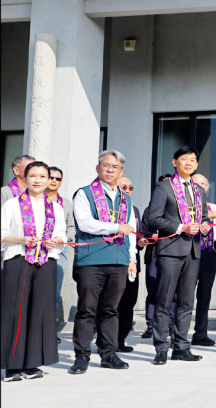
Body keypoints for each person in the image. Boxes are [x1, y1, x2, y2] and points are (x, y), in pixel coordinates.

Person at [69, 150, 138, 374]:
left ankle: (108, 353)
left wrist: (132, 258)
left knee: (111, 310)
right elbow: (86, 223)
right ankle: (81, 355)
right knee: (87, 309)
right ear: (97, 168)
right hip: (91, 260)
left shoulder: (125, 198)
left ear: (121, 171)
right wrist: (115, 227)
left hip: (118, 260)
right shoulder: (84, 193)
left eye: (114, 167)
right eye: (106, 165)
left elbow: (131, 233)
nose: (110, 170)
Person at [1, 161, 66, 382]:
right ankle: (12, 365)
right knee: (14, 312)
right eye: (33, 176)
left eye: (42, 176)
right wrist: (22, 239)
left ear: (49, 180)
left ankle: (31, 363)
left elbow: (62, 236)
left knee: (40, 312)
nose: (37, 180)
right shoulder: (12, 204)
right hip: (18, 260)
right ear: (25, 179)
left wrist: (54, 241)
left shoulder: (55, 207)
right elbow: (2, 234)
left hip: (46, 262)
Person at [145, 146, 210, 365]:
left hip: (193, 251)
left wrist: (204, 226)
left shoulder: (198, 190)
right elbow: (153, 219)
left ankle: (182, 346)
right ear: (175, 162)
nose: (189, 163)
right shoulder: (164, 187)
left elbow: (204, 217)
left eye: (193, 160)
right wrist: (181, 226)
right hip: (171, 250)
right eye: (185, 159)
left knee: (186, 301)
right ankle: (161, 347)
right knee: (164, 301)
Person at [115, 176, 147, 352]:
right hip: (114, 261)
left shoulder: (134, 210)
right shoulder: (109, 208)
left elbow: (138, 234)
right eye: (124, 187)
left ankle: (120, 339)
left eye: (130, 188)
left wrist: (141, 241)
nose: (127, 191)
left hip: (132, 264)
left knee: (129, 302)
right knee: (112, 303)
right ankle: (107, 341)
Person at [140, 173, 173, 339]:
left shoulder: (176, 210)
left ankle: (170, 326)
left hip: (172, 253)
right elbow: (142, 230)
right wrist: (154, 236)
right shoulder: (149, 210)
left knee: (171, 292)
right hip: (154, 253)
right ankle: (150, 325)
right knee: (153, 290)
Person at [190, 173, 216, 347]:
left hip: (209, 253)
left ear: (207, 188)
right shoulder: (186, 207)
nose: (201, 187)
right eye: (197, 184)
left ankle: (201, 333)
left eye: (203, 184)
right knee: (184, 295)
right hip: (190, 251)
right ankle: (176, 334)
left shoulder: (214, 207)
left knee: (205, 295)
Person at [46, 166, 75, 338]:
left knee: (54, 293)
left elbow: (72, 227)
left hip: (59, 252)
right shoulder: (34, 200)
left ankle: (51, 332)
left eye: (58, 179)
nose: (54, 181)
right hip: (37, 250)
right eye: (51, 177)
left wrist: (63, 238)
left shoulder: (66, 204)